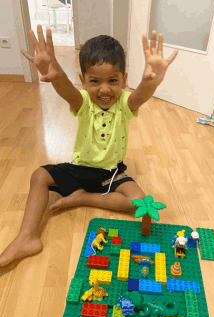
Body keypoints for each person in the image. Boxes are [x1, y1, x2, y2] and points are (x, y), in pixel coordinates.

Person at [0, 25, 178, 267]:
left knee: (139, 201)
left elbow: (140, 97)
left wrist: (151, 83)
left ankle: (83, 197)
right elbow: (67, 90)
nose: (104, 89)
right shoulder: (83, 102)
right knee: (39, 175)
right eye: (95, 81)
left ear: (124, 80)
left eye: (113, 81)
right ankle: (26, 237)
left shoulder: (125, 104)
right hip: (79, 169)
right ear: (83, 81)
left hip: (110, 174)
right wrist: (55, 71)